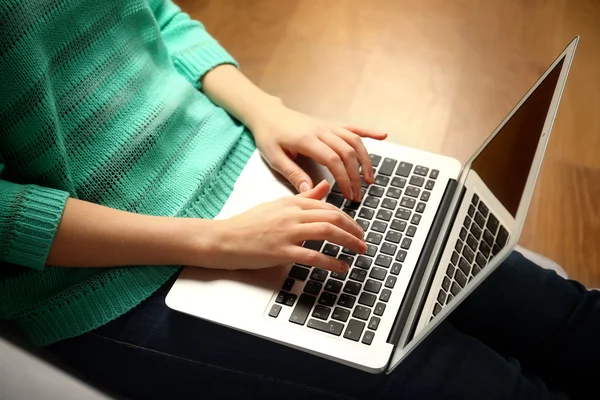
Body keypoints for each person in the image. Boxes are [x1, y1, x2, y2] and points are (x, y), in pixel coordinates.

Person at [0, 0, 598, 399]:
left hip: (243, 163)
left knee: (553, 309)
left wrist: (268, 113)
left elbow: (155, 13)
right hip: (107, 278)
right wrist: (214, 241)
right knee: (477, 386)